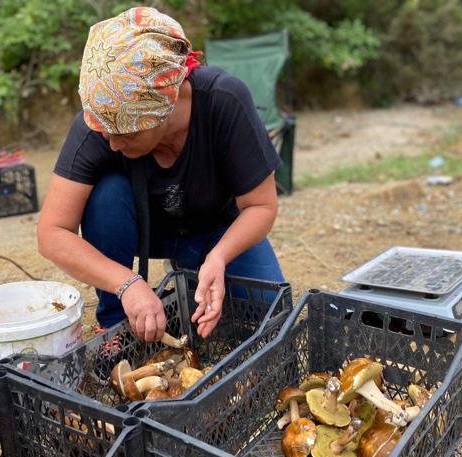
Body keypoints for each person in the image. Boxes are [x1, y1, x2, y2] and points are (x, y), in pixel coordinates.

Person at [37, 6, 284, 343]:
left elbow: (261, 206)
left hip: (217, 228)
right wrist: (126, 283)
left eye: (126, 133)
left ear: (163, 110)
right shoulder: (100, 123)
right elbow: (52, 232)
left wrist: (220, 257)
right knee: (106, 193)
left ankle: (198, 269)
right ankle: (115, 322)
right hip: (145, 231)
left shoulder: (223, 101)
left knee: (270, 313)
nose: (110, 142)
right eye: (103, 130)